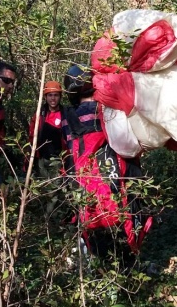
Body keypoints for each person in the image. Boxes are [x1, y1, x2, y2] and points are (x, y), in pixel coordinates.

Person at [62, 65, 152, 265]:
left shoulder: (69, 118)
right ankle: (130, 274)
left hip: (88, 197)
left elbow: (70, 154)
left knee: (100, 250)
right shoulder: (108, 110)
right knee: (125, 246)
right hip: (117, 190)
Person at [27, 81, 66, 216]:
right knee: (45, 188)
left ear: (60, 96)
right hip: (42, 159)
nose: (53, 98)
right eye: (50, 95)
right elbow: (32, 134)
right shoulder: (40, 114)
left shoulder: (64, 114)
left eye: (55, 95)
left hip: (58, 159)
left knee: (54, 190)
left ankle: (49, 218)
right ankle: (44, 217)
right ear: (45, 97)